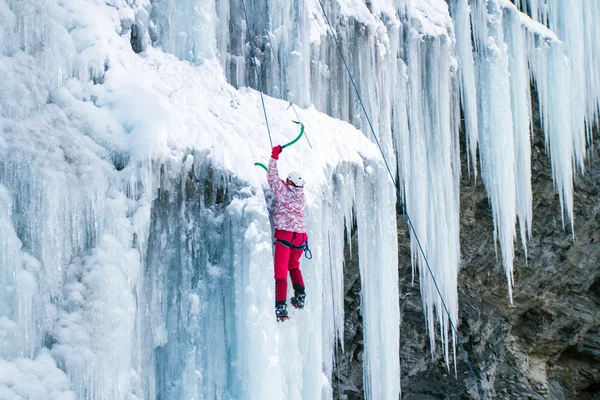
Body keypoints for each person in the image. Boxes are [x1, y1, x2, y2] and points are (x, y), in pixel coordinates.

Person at [268, 144, 308, 321]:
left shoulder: (283, 192)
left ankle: (281, 308)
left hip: (285, 235)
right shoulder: (302, 196)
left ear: (289, 182)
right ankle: (300, 296)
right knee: (294, 266)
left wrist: (274, 156)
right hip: (300, 237)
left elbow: (272, 178)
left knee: (281, 273)